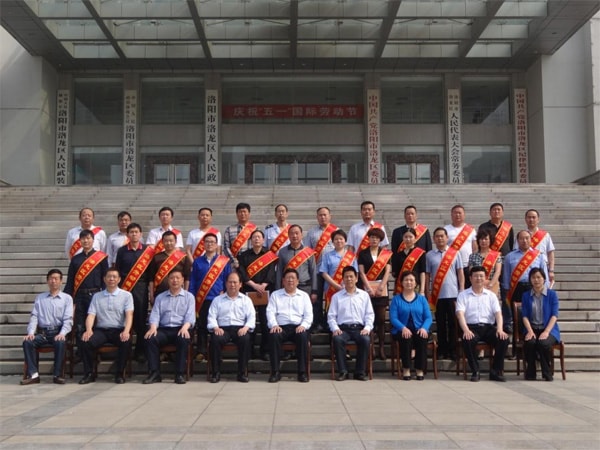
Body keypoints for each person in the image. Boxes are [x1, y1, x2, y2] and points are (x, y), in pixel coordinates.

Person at [78, 268, 134, 385]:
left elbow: (129, 315)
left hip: (118, 329)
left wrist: (126, 331)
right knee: (86, 341)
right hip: (101, 330)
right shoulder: (97, 296)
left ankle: (119, 374)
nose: (111, 279)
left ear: (119, 279)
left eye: (114, 277)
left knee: (125, 341)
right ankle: (89, 373)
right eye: (109, 276)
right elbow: (91, 315)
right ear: (104, 279)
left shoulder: (126, 295)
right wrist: (88, 330)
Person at [456, 266, 509, 382]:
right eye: (476, 276)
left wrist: (500, 329)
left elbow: (498, 314)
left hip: (488, 328)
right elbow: (460, 314)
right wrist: (466, 330)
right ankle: (475, 371)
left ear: (485, 278)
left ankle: (495, 371)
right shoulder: (463, 295)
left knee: (503, 339)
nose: (479, 278)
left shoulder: (491, 295)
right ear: (470, 278)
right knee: (467, 340)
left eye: (481, 276)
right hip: (471, 327)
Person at [21, 269, 73, 385]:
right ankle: (34, 375)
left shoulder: (67, 298)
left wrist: (62, 333)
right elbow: (34, 316)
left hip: (58, 332)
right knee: (28, 342)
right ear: (47, 281)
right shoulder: (40, 298)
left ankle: (57, 375)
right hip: (43, 334)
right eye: (51, 279)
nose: (53, 281)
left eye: (56, 279)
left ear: (61, 281)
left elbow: (68, 319)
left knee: (60, 342)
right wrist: (31, 332)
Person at [143, 269, 195, 385]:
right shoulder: (160, 297)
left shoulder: (189, 297)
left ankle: (179, 374)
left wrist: (185, 327)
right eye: (172, 278)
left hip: (181, 328)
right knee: (150, 339)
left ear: (182, 280)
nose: (175, 280)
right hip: (164, 329)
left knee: (183, 339)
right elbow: (155, 315)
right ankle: (154, 373)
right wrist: (153, 327)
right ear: (168, 280)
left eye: (177, 278)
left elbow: (190, 317)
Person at [115, 223, 155, 362]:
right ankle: (124, 350)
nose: (134, 234)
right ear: (127, 235)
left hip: (141, 287)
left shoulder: (147, 251)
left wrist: (151, 292)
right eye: (131, 232)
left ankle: (140, 351)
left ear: (141, 234)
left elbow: (151, 274)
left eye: (136, 232)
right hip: (125, 287)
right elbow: (117, 270)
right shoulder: (121, 251)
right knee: (124, 319)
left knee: (140, 320)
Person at [207, 272, 256, 383]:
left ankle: (241, 373)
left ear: (240, 284)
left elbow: (251, 317)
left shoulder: (246, 300)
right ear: (226, 284)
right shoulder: (217, 300)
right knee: (215, 339)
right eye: (230, 282)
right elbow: (211, 316)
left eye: (235, 282)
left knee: (245, 339)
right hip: (222, 329)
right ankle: (215, 373)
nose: (232, 285)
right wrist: (215, 327)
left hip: (240, 329)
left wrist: (246, 327)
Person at [189, 233, 231, 360]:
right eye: (207, 241)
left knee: (218, 326)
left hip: (219, 299)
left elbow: (228, 279)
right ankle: (201, 351)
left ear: (216, 244)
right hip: (202, 299)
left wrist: (226, 293)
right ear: (203, 244)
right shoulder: (197, 261)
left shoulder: (223, 261)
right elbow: (193, 281)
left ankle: (216, 352)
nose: (209, 244)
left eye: (212, 242)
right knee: (202, 326)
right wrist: (192, 297)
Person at [266, 268, 313, 383]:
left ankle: (302, 372)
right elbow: (270, 312)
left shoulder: (304, 296)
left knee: (303, 336)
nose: (290, 280)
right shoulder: (275, 295)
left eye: (293, 278)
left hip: (298, 327)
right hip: (281, 327)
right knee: (273, 336)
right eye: (288, 278)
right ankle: (275, 372)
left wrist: (303, 325)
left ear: (297, 281)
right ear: (283, 281)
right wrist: (274, 325)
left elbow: (309, 315)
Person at [328, 266, 374, 381]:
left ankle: (360, 372)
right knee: (337, 339)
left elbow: (369, 315)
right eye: (346, 277)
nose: (349, 279)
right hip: (343, 329)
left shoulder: (364, 295)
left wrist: (367, 328)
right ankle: (343, 371)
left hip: (359, 328)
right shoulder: (336, 297)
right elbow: (331, 317)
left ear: (356, 278)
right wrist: (335, 329)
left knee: (365, 339)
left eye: (351, 276)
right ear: (343, 279)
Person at [64, 229, 109, 348]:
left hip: (96, 295)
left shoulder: (101, 257)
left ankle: (93, 350)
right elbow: (70, 280)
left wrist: (106, 295)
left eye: (88, 238)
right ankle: (80, 350)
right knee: (79, 325)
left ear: (93, 240)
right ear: (80, 241)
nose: (86, 241)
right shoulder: (75, 259)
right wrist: (68, 298)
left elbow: (105, 278)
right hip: (80, 296)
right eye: (83, 239)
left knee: (95, 323)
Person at [425, 227, 465, 360]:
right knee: (440, 323)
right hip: (437, 295)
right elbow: (427, 275)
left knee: (453, 324)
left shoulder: (455, 253)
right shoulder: (429, 255)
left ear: (447, 238)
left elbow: (460, 273)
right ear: (434, 239)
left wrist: (462, 290)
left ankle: (453, 350)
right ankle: (442, 349)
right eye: (437, 236)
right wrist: (427, 291)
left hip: (453, 294)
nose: (440, 238)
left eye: (442, 236)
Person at [237, 229, 277, 361]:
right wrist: (254, 285)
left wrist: (263, 285)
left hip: (265, 291)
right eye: (254, 237)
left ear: (263, 240)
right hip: (249, 291)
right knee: (249, 321)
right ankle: (249, 350)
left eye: (259, 237)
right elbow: (242, 273)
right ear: (250, 240)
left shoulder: (269, 255)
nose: (257, 239)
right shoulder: (244, 255)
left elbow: (271, 272)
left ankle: (265, 350)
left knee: (265, 322)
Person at [389, 271, 432, 381]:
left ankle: (419, 369)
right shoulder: (396, 299)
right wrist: (403, 328)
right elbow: (393, 318)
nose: (409, 282)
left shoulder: (422, 299)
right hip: (401, 329)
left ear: (416, 283)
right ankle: (406, 369)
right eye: (406, 280)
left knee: (422, 337)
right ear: (402, 282)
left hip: (419, 328)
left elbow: (428, 317)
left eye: (411, 280)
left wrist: (424, 328)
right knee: (406, 337)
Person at [357, 227, 391, 361]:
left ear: (380, 240)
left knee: (381, 320)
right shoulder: (363, 253)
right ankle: (371, 347)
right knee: (368, 319)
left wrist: (381, 286)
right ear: (368, 239)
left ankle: (381, 347)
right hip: (368, 289)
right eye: (372, 237)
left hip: (382, 289)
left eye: (376, 238)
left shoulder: (385, 253)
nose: (374, 240)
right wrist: (368, 288)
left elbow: (387, 271)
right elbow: (361, 272)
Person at [521, 268, 560, 381]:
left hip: (549, 329)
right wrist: (530, 331)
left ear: (544, 279)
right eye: (533, 277)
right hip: (532, 328)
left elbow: (554, 315)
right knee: (530, 342)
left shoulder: (552, 294)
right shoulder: (526, 295)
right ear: (530, 280)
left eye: (539, 277)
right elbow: (524, 316)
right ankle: (531, 371)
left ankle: (546, 372)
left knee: (543, 343)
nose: (536, 280)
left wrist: (546, 331)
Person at [305, 206, 338, 331]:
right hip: (317, 271)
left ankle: (330, 322)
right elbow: (307, 252)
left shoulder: (337, 231)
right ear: (317, 217)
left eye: (325, 215)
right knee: (316, 298)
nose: (323, 217)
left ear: (330, 216)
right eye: (320, 215)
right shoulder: (311, 233)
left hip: (333, 272)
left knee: (332, 297)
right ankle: (317, 322)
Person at [319, 229, 357, 322]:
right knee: (331, 313)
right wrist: (336, 286)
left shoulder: (351, 256)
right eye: (336, 239)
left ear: (345, 241)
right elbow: (324, 272)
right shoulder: (327, 256)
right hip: (331, 288)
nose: (339, 241)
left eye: (341, 239)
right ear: (332, 242)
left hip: (348, 288)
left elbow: (356, 273)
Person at [503, 230, 549, 307]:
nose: (524, 241)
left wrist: (546, 288)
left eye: (527, 238)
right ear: (517, 241)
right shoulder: (509, 256)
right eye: (521, 238)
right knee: (518, 312)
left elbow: (544, 274)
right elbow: (506, 275)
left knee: (534, 311)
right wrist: (507, 290)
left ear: (531, 239)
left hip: (534, 286)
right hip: (516, 288)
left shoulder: (539, 255)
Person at [276, 225, 318, 299]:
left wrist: (314, 291)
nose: (294, 236)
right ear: (288, 236)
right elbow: (279, 271)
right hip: (287, 288)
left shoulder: (308, 252)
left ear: (301, 235)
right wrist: (277, 289)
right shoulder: (282, 252)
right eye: (292, 233)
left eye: (296, 233)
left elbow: (313, 271)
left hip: (305, 287)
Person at [148, 230, 191, 302]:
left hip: (178, 294)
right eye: (166, 241)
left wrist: (185, 293)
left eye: (171, 241)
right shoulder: (156, 257)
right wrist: (151, 295)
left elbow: (187, 277)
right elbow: (151, 278)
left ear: (175, 241)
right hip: (160, 293)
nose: (168, 243)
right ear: (162, 242)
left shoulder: (183, 257)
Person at [519, 209, 556, 286]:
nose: (531, 219)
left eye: (533, 217)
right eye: (529, 217)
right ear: (525, 219)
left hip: (541, 268)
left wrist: (551, 270)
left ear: (538, 219)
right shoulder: (521, 235)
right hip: (524, 268)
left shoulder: (545, 235)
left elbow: (550, 253)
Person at [444, 204, 476, 287]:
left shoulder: (471, 230)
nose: (457, 215)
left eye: (460, 213)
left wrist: (472, 264)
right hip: (451, 265)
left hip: (467, 265)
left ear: (464, 215)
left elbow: (475, 248)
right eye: (455, 213)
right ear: (451, 215)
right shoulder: (446, 229)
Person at [391, 227, 427, 295]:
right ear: (403, 238)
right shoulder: (399, 254)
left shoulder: (420, 253)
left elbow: (422, 272)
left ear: (415, 239)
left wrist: (422, 290)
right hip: (401, 286)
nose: (408, 239)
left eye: (410, 237)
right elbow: (396, 274)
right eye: (406, 237)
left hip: (415, 286)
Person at [468, 229, 502, 296]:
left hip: (492, 286)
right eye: (481, 239)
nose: (483, 241)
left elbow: (498, 272)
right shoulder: (472, 256)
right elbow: (471, 272)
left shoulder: (496, 255)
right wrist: (480, 284)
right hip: (477, 286)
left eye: (486, 239)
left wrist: (490, 284)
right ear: (478, 240)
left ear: (490, 240)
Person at [223, 202, 256, 269]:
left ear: (249, 213)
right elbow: (226, 247)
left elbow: (258, 246)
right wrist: (233, 260)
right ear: (237, 214)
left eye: (244, 212)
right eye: (240, 212)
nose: (242, 214)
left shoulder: (255, 230)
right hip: (234, 264)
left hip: (251, 263)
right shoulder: (229, 229)